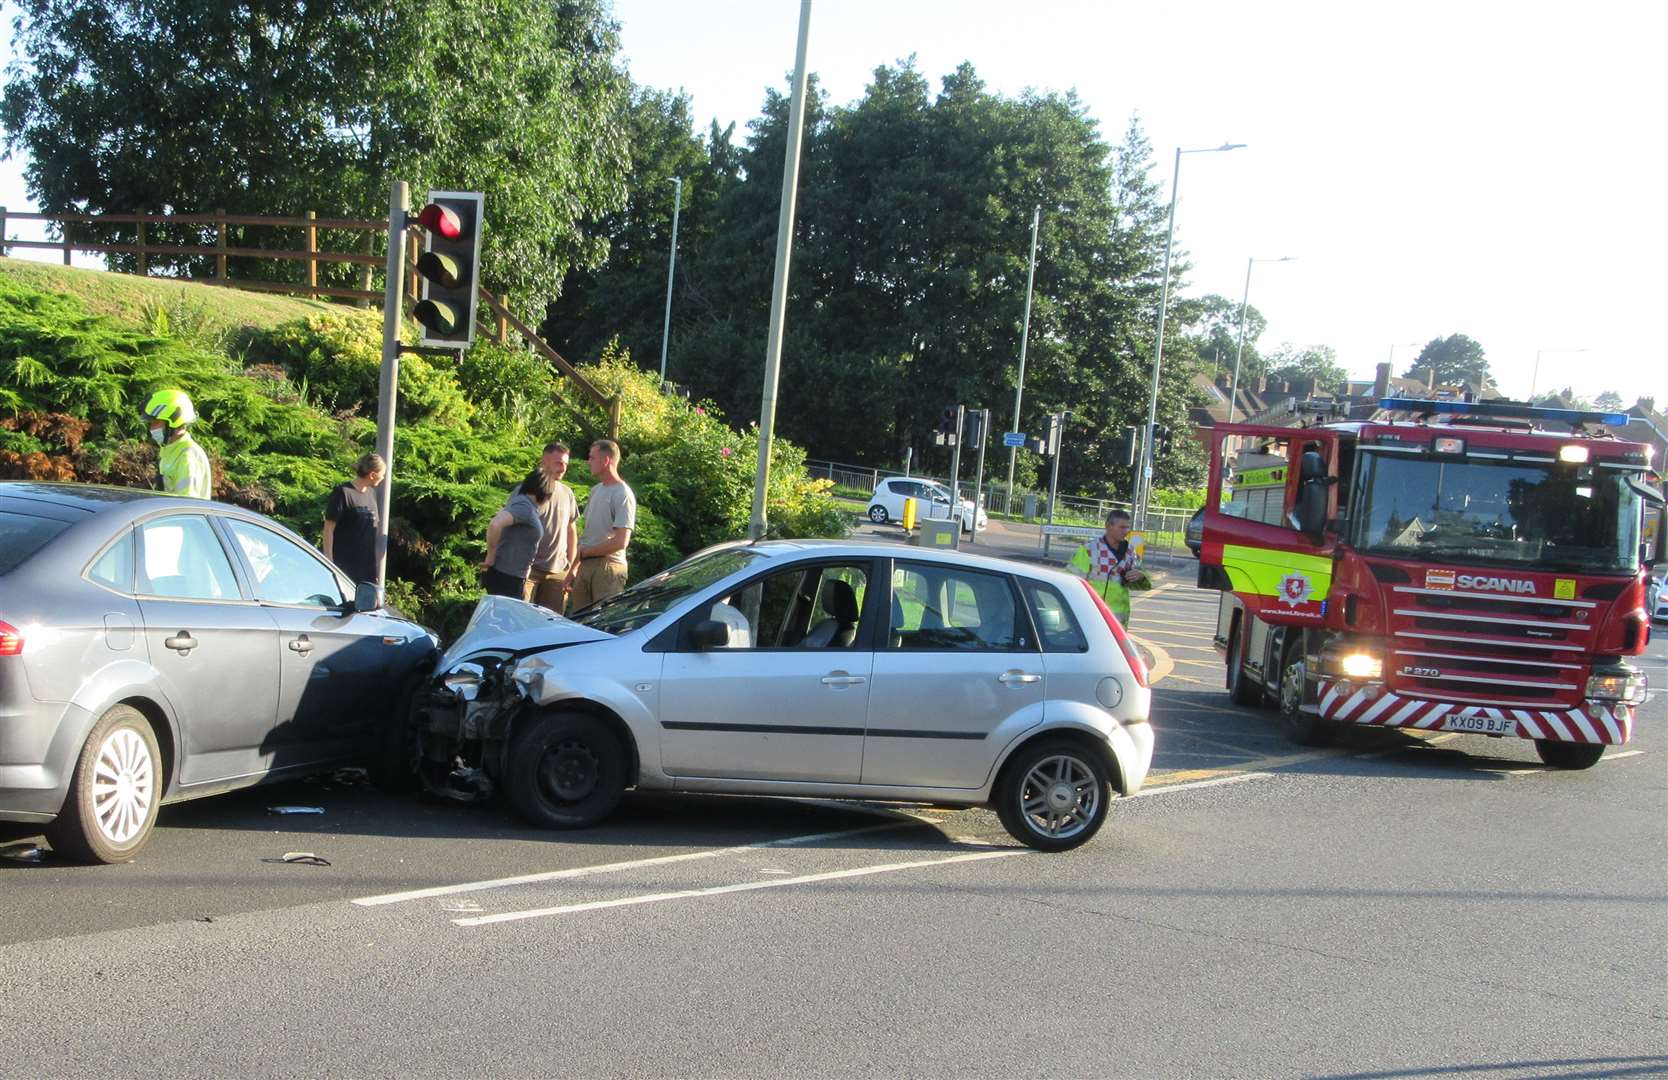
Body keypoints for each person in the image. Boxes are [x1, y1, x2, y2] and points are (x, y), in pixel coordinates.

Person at [566, 439, 636, 611]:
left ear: (606, 461)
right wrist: (573, 568)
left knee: (602, 625)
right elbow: (588, 535)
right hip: (585, 566)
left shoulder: (623, 494)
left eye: (592, 458)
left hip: (608, 568)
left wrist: (586, 553)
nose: (588, 462)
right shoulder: (596, 490)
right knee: (579, 623)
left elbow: (621, 542)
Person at [521, 441, 580, 612]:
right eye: (558, 463)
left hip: (557, 572)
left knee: (551, 626)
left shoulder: (567, 493)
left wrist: (571, 566)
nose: (563, 469)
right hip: (528, 570)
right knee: (519, 621)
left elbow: (571, 530)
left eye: (566, 464)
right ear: (544, 462)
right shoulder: (527, 489)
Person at [1068, 508, 1150, 626]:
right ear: (1108, 526)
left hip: (1118, 620)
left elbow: (1144, 584)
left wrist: (1141, 576)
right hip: (1092, 614)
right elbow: (1072, 581)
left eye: (1127, 527)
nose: (1126, 531)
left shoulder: (1130, 551)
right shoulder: (1089, 550)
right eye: (1121, 527)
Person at [482, 466, 551, 599]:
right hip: (507, 578)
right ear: (546, 492)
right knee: (505, 619)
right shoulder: (524, 507)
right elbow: (495, 524)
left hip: (513, 577)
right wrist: (490, 556)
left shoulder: (525, 504)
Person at [323, 452, 385, 586]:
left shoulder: (371, 494)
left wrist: (374, 570)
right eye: (382, 474)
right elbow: (328, 529)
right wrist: (329, 562)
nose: (383, 477)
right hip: (344, 568)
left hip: (367, 570)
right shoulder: (343, 493)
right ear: (372, 475)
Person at [142, 388, 211, 499]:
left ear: (173, 421)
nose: (151, 428)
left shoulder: (188, 456)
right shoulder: (170, 451)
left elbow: (187, 505)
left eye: (156, 422)